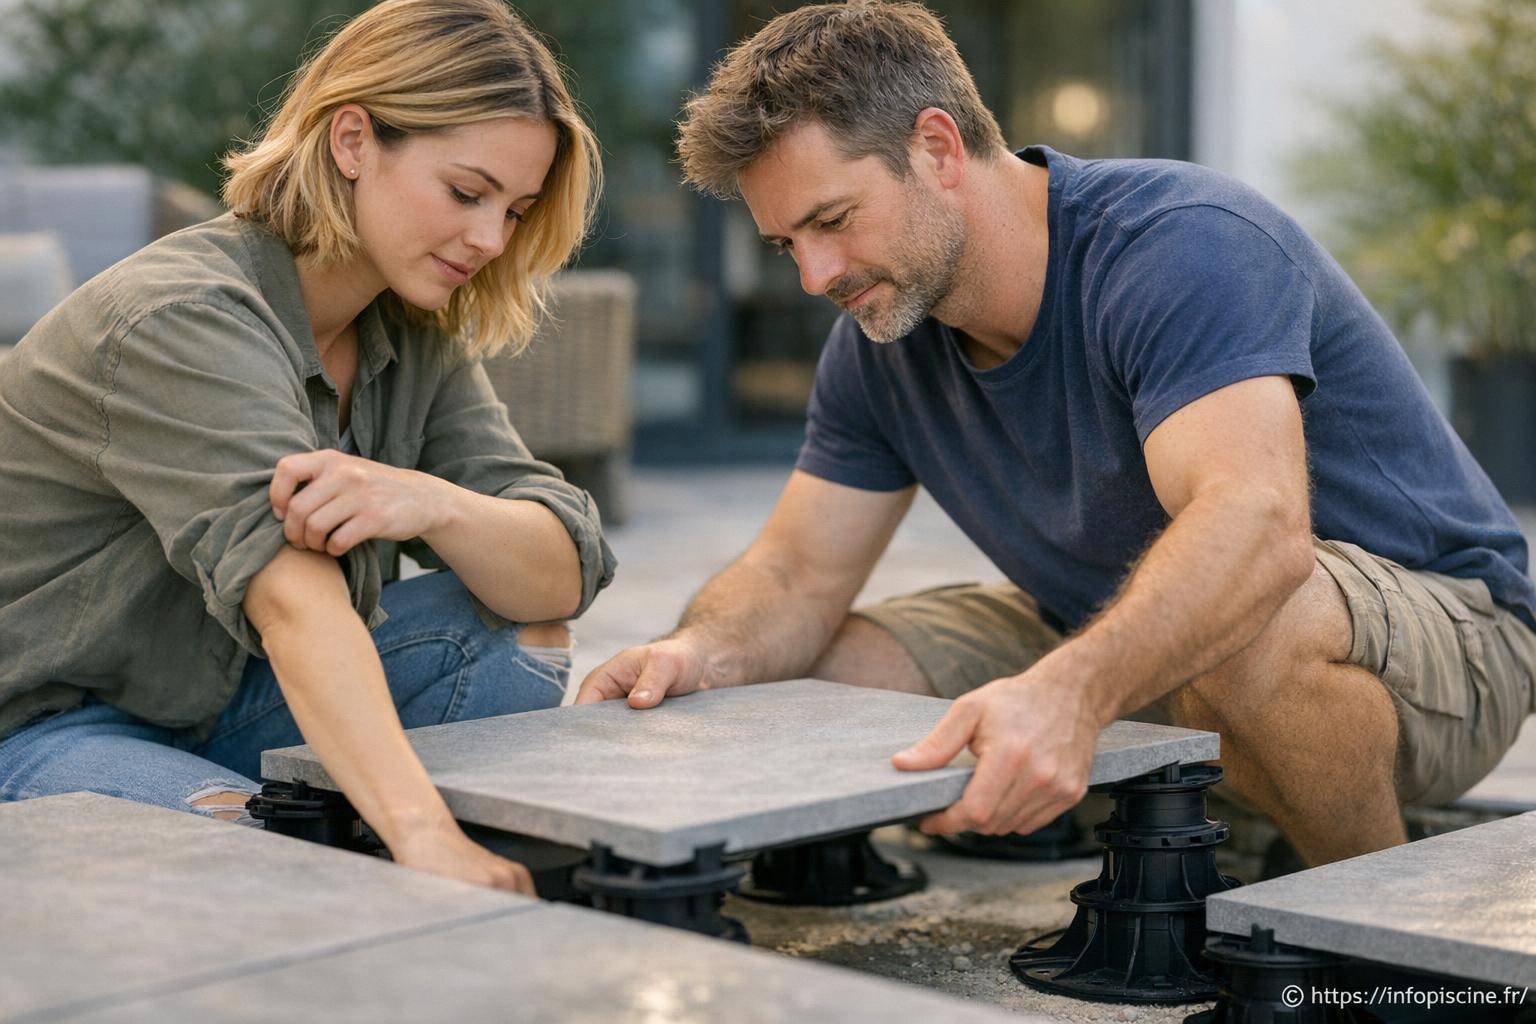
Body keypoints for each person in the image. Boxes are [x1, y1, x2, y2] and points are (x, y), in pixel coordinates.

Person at [578, 0, 1536, 868]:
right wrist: (698, 652)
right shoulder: (881, 342)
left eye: (832, 220)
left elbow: (1257, 525)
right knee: (805, 669)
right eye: (788, 243)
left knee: (1245, 624)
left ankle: (1365, 938)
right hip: (1108, 624)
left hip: (1446, 638)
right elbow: (795, 575)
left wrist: (1070, 696)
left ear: (939, 149)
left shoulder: (1180, 244)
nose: (814, 274)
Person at [0, 0, 615, 894]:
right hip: (49, 727)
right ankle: (348, 839)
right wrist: (426, 835)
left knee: (515, 628)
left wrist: (433, 500)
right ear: (354, 141)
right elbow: (294, 602)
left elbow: (563, 570)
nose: (490, 240)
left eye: (515, 211)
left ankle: (340, 837)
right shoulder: (182, 318)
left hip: (230, 702)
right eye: (466, 193)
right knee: (249, 857)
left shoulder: (410, 329)